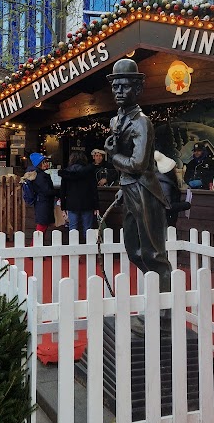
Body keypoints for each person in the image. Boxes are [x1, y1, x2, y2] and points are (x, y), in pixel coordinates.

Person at [104, 58, 171, 330]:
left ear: (138, 89)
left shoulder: (142, 123)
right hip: (129, 189)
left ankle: (163, 314)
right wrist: (121, 187)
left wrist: (112, 155)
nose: (119, 91)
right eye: (116, 86)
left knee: (153, 254)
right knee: (133, 250)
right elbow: (126, 169)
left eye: (126, 86)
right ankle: (155, 298)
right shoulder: (115, 120)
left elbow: (138, 164)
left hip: (144, 191)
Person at [59, 150, 99, 237]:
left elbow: (62, 191)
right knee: (88, 230)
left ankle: (73, 248)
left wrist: (63, 207)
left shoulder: (66, 173)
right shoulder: (89, 172)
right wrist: (96, 206)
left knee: (72, 229)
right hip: (87, 203)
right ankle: (88, 249)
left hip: (72, 203)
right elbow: (94, 190)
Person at [21, 152, 56, 234]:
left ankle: (36, 244)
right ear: (39, 164)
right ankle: (34, 245)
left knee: (42, 226)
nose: (46, 164)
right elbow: (46, 190)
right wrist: (57, 192)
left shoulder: (36, 174)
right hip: (43, 203)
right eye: (44, 162)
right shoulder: (40, 176)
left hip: (41, 202)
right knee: (41, 227)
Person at [154, 150, 188, 228]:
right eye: (174, 169)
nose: (176, 171)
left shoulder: (164, 182)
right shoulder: (165, 184)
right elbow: (167, 206)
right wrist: (184, 205)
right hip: (165, 222)